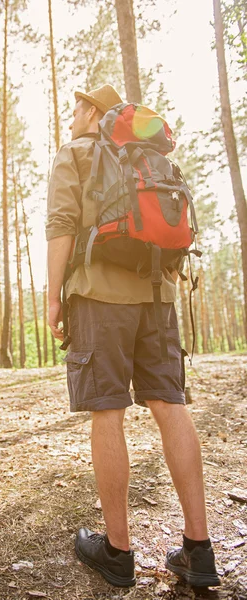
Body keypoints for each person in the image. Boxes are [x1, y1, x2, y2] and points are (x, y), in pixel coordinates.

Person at [46, 83, 220, 588]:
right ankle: (199, 548)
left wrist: (54, 297)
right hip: (157, 295)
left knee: (108, 409)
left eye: (79, 107)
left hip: (99, 295)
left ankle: (118, 552)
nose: (72, 114)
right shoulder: (149, 157)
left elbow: (60, 225)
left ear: (95, 112)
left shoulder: (75, 153)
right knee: (171, 404)